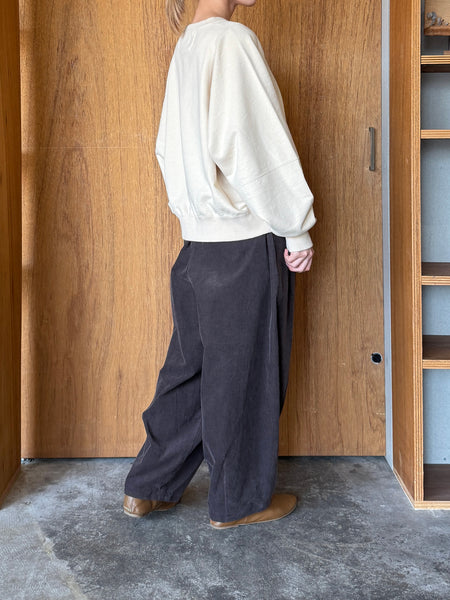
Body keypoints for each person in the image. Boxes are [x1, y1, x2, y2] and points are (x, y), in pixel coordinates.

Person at [123, 0, 316, 529]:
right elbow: (251, 144)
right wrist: (295, 225)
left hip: (199, 245)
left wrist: (195, 217)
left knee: (191, 370)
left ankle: (148, 486)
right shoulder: (232, 40)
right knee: (245, 375)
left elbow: (167, 149)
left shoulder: (188, 46)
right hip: (244, 241)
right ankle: (239, 503)